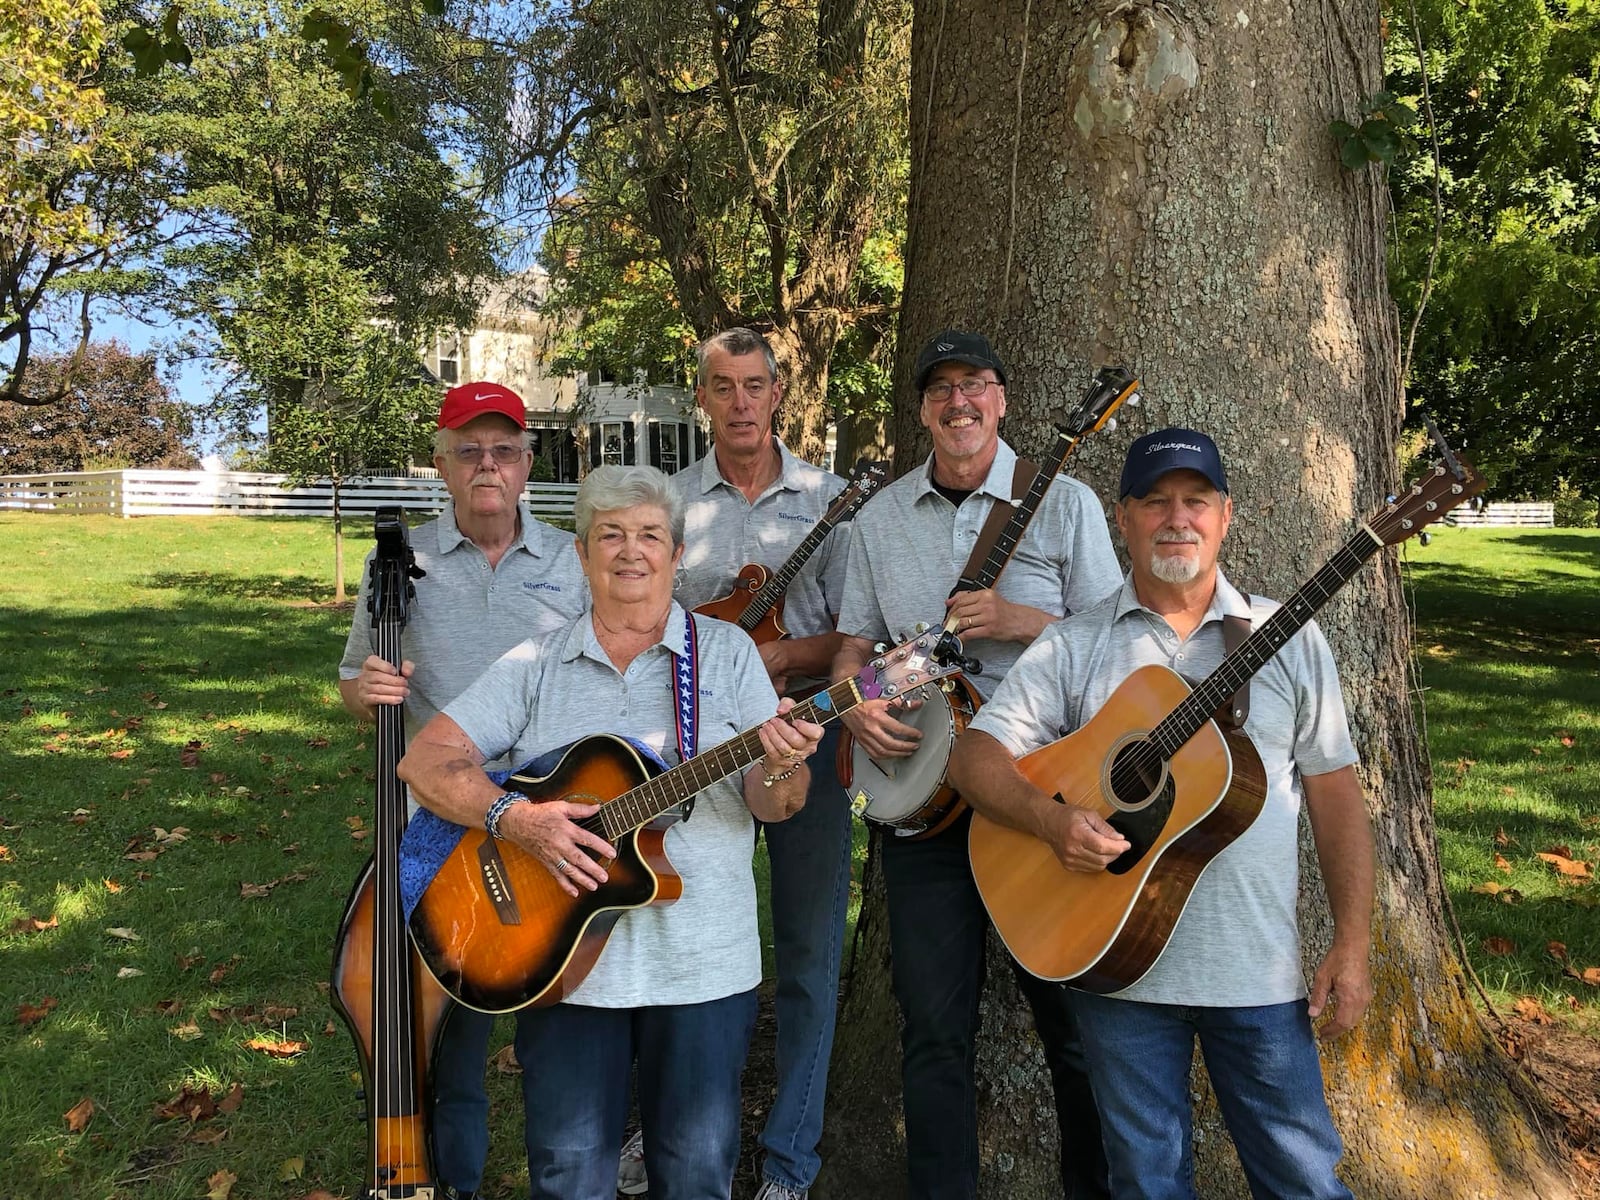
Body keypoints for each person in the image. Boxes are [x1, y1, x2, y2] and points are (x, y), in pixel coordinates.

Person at [948, 428, 1375, 1199]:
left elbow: (1336, 793)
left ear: (1225, 515)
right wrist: (1050, 821)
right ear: (1123, 519)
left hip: (1257, 974)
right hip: (1115, 973)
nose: (1177, 519)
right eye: (1155, 502)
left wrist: (1353, 942)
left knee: (1304, 1180)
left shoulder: (1291, 638)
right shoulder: (1075, 645)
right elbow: (973, 758)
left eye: (1196, 501)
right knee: (1145, 1185)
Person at [397, 464, 825, 1200]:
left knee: (695, 1177)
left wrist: (784, 765)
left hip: (703, 967)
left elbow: (774, 806)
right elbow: (424, 759)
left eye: (650, 535)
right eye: (611, 535)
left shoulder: (725, 655)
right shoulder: (539, 662)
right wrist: (517, 819)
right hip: (559, 965)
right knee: (567, 1177)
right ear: (583, 554)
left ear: (675, 552)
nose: (631, 551)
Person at [831, 330, 1123, 1199]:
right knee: (933, 1030)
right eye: (941, 389)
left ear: (1001, 400)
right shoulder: (878, 521)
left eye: (976, 386)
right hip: (926, 807)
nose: (959, 402)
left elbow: (1122, 641)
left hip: (1043, 794)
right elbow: (853, 646)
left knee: (1073, 1028)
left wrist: (1020, 619)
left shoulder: (1063, 503)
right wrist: (858, 705)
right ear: (923, 409)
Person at [338, 380, 588, 1200]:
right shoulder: (397, 562)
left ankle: (569, 1169)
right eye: (470, 450)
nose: (489, 465)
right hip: (441, 815)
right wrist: (367, 687)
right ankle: (455, 1181)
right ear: (442, 466)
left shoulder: (571, 560)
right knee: (449, 1028)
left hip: (552, 811)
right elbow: (353, 684)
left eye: (505, 450)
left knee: (558, 1013)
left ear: (527, 463)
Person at [667, 327, 852, 1200]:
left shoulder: (832, 499)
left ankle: (790, 1158)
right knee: (678, 941)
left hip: (808, 737)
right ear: (701, 397)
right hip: (695, 761)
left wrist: (780, 661)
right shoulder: (668, 503)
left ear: (780, 392)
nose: (740, 402)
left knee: (810, 952)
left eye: (754, 385)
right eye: (722, 386)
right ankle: (670, 1134)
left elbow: (860, 634)